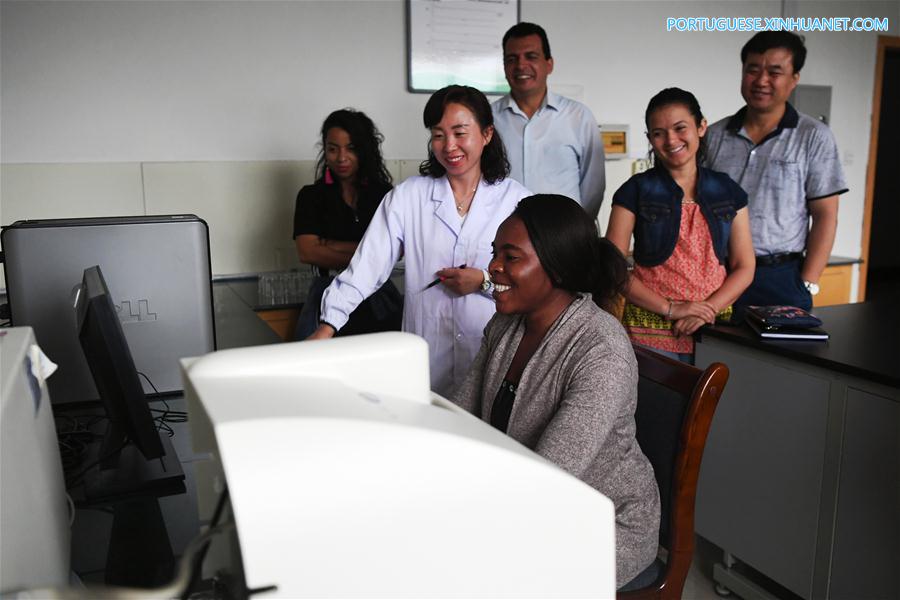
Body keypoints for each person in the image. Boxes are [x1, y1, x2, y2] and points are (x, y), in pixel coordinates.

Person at [452, 194, 660, 590]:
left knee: (479, 575)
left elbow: (549, 479)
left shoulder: (600, 350)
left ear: (557, 268)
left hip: (603, 524)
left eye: (510, 257)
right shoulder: (504, 326)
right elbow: (459, 420)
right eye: (495, 253)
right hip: (530, 504)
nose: (493, 267)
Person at [309, 86, 531, 397]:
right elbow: (367, 266)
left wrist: (482, 281)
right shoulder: (408, 197)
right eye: (438, 135)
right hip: (427, 361)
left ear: (487, 134)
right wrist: (328, 325)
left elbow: (535, 285)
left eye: (459, 132)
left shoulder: (516, 201)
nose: (449, 145)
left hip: (493, 358)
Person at [704, 31, 848, 314]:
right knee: (714, 355)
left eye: (774, 72)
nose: (761, 81)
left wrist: (808, 281)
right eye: (752, 70)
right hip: (717, 273)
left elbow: (825, 215)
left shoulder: (813, 136)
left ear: (794, 78)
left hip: (779, 276)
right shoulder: (713, 135)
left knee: (778, 358)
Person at [607, 88, 755, 362]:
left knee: (717, 405)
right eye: (658, 133)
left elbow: (745, 266)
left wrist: (707, 309)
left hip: (713, 328)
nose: (671, 140)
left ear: (701, 127)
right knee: (660, 404)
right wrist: (671, 309)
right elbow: (612, 269)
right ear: (650, 138)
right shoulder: (634, 191)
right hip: (649, 332)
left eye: (680, 128)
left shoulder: (729, 191)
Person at [293, 108, 402, 339]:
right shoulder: (311, 196)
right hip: (326, 291)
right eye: (333, 149)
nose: (341, 158)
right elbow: (307, 252)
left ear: (364, 149)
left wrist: (329, 245)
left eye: (351, 148)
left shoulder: (384, 194)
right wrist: (369, 252)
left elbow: (395, 252)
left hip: (378, 295)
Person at [491, 22, 606, 221]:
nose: (520, 65)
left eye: (531, 56)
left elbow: (593, 188)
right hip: (502, 235)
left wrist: (576, 231)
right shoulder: (487, 119)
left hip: (563, 238)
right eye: (512, 59)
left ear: (549, 64)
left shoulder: (578, 116)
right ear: (504, 67)